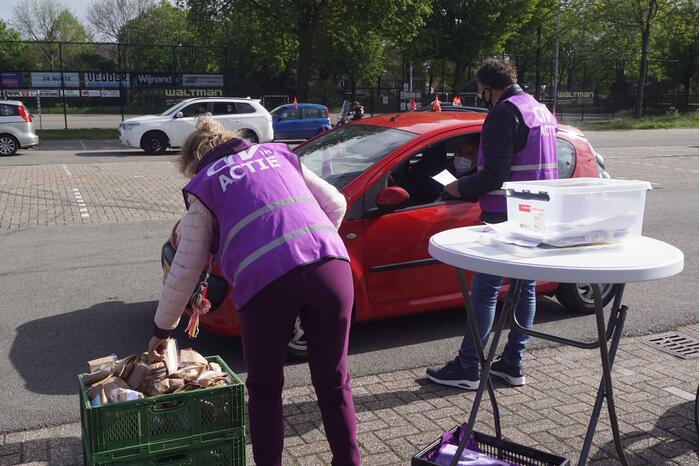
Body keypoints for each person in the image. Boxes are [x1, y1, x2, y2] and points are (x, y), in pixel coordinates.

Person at [148, 116, 361, 466]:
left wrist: (162, 329)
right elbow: (335, 203)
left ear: (192, 164)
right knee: (334, 380)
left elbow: (186, 267)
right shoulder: (279, 154)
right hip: (331, 267)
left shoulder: (205, 185)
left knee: (264, 389)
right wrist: (313, 246)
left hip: (267, 282)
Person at [427, 58, 558, 390]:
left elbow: (494, 175)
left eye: (480, 92)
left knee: (484, 291)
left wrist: (459, 187)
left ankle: (469, 367)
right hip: (537, 210)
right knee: (524, 288)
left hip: (505, 214)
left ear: (487, 89)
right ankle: (513, 364)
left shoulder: (504, 112)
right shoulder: (538, 108)